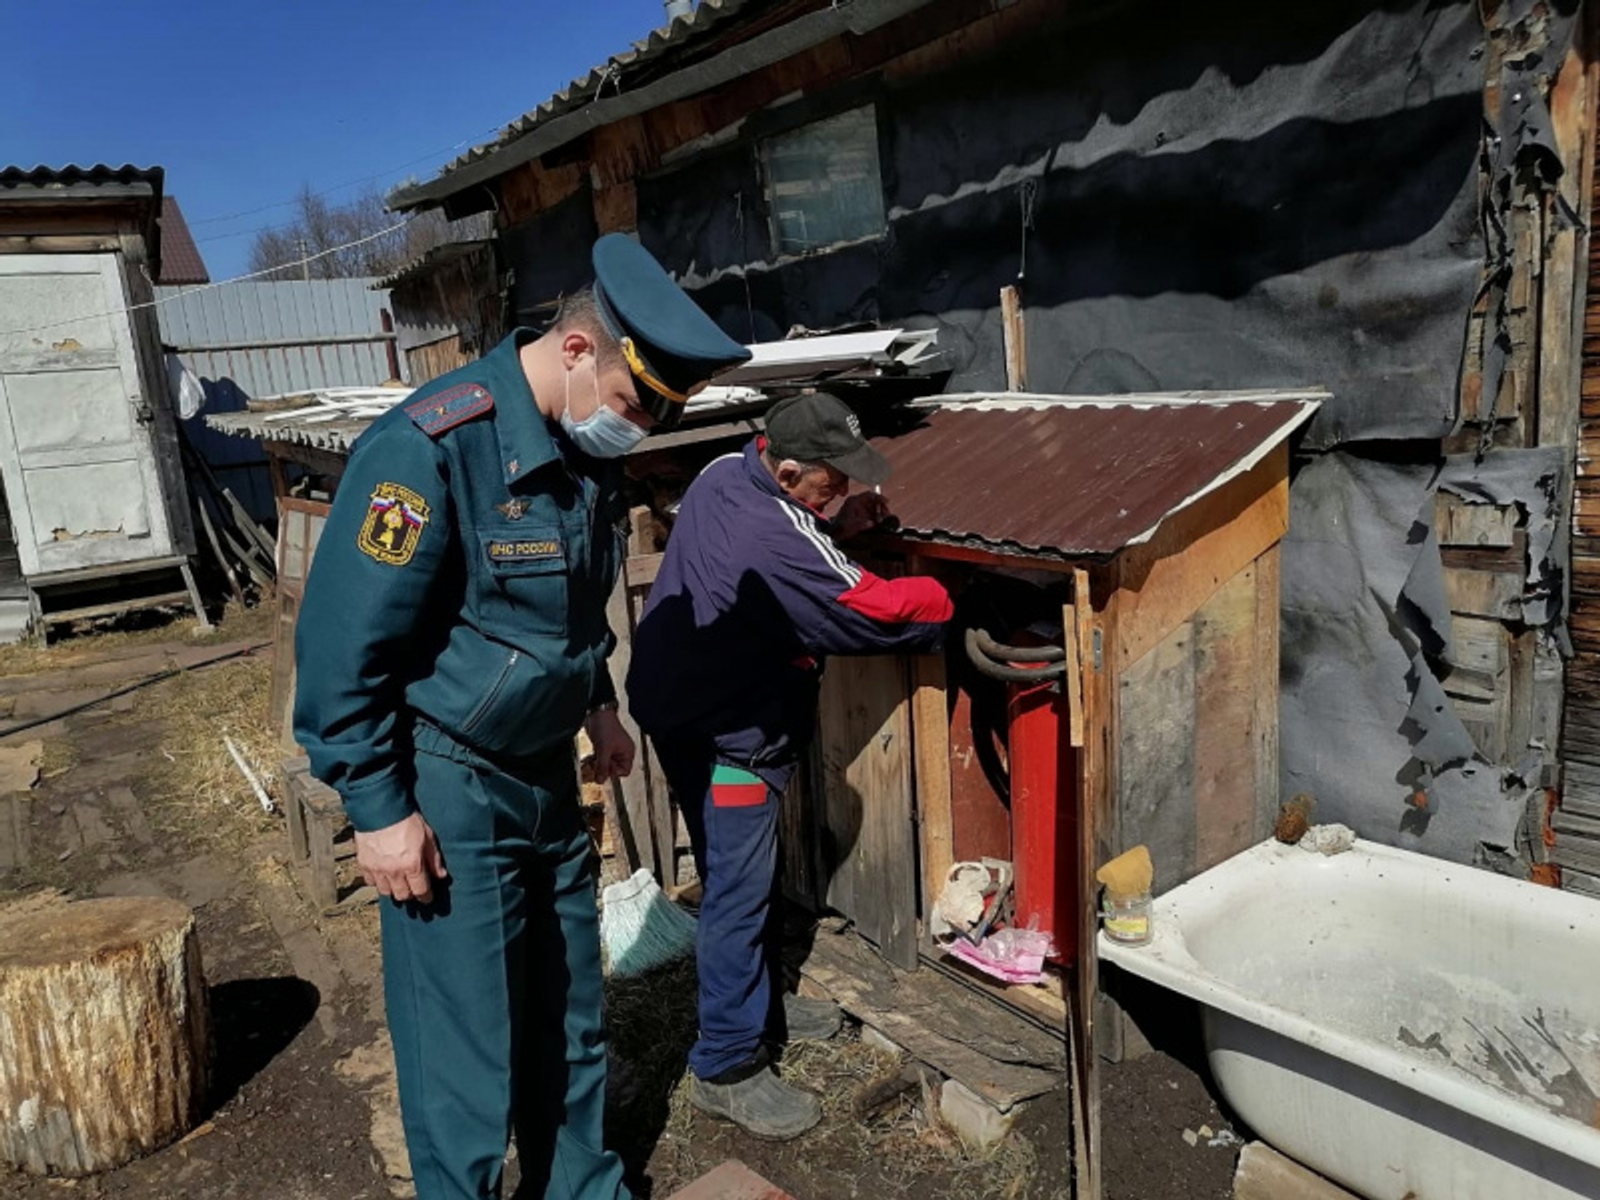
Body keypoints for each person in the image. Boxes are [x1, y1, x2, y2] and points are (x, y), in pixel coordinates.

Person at [293, 233, 751, 1200]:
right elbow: (340, 651)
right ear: (578, 349)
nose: (639, 428)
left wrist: (600, 706)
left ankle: (583, 1189)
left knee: (571, 1014)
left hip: (544, 773)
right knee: (466, 1047)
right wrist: (377, 807)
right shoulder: (429, 447)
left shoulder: (581, 451)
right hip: (448, 779)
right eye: (636, 403)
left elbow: (568, 607)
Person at [625, 392, 953, 1139]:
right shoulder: (775, 530)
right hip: (733, 735)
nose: (846, 489)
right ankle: (726, 1065)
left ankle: (760, 1003)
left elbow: (792, 541)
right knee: (739, 889)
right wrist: (949, 597)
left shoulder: (724, 471)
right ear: (789, 470)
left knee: (733, 871)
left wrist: (834, 522)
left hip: (677, 706)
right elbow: (872, 609)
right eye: (833, 480)